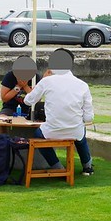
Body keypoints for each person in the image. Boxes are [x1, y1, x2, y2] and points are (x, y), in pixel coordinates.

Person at [23, 48, 95, 176]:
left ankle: (57, 166)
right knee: (81, 133)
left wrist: (41, 82)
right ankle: (87, 166)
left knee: (37, 135)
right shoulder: (82, 85)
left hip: (52, 130)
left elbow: (28, 100)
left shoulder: (46, 82)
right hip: (74, 130)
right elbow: (89, 117)